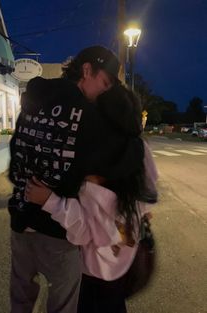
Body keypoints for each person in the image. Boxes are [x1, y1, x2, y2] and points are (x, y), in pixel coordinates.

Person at [25, 85, 158, 313]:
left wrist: (49, 200)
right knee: (114, 303)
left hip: (93, 269)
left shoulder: (93, 178)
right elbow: (149, 196)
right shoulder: (140, 153)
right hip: (124, 261)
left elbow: (85, 232)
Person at [8, 45, 121, 313]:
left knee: (20, 301)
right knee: (63, 305)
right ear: (86, 71)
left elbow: (16, 153)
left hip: (21, 220)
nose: (104, 91)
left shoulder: (33, 99)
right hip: (58, 231)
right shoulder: (89, 117)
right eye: (104, 82)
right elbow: (92, 178)